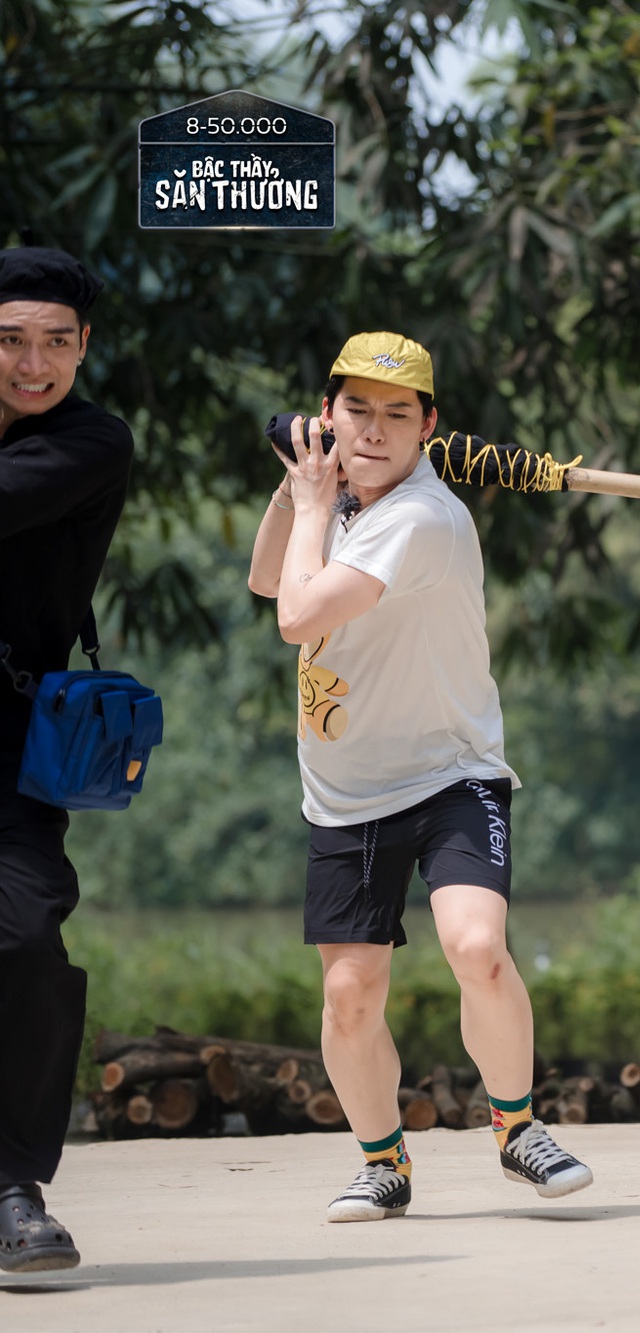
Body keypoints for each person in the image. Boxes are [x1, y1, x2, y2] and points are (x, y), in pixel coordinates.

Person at [247, 333, 590, 1221]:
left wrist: (318, 497)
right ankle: (382, 1162)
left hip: (450, 772)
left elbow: (294, 613)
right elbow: (263, 574)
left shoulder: (425, 518)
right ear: (328, 415)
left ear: (428, 428)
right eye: (355, 409)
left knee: (477, 945)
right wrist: (302, 487)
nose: (374, 428)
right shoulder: (338, 498)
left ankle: (517, 1127)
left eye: (398, 413)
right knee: (349, 994)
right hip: (345, 789)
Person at [0, 246, 131, 1272]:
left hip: (10, 751)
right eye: (8, 341)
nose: (31, 363)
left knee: (26, 942)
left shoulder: (88, 441)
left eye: (54, 342)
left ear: (83, 347)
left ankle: (12, 1186)